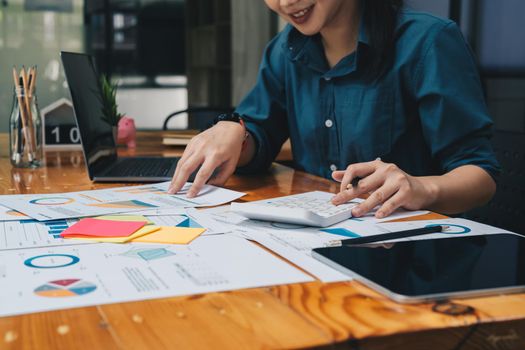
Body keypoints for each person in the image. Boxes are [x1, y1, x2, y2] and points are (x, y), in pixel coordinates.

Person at [169, 0, 499, 219]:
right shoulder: (285, 51)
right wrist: (234, 133)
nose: (285, 2)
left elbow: (480, 176)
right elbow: (259, 136)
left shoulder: (429, 42)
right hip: (311, 241)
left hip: (408, 252)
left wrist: (423, 187)